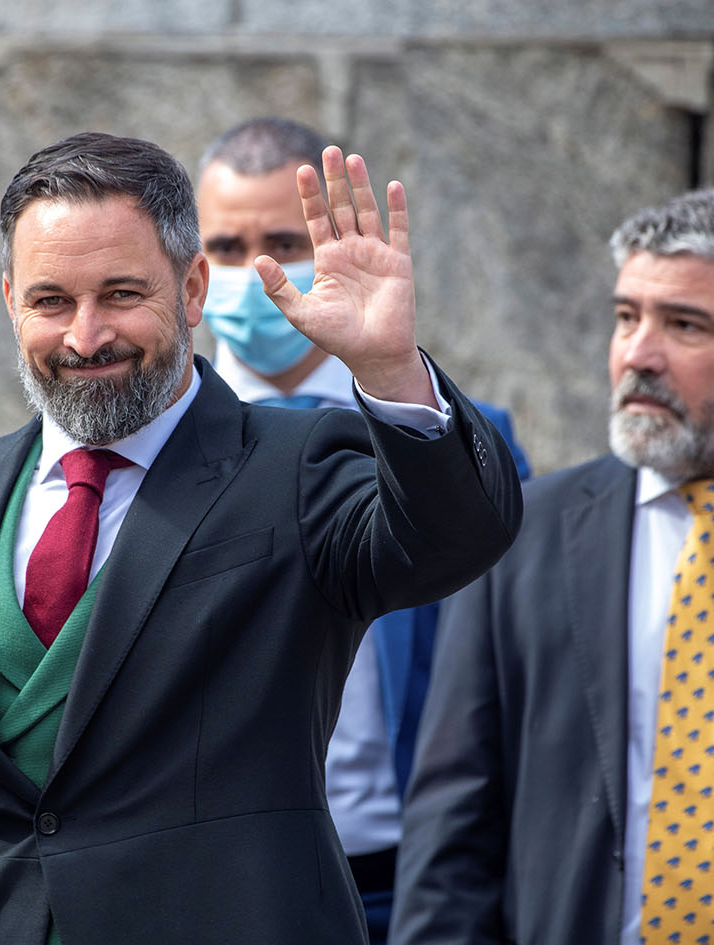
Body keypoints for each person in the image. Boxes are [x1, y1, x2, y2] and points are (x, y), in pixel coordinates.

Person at [0, 131, 522, 945]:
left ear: (191, 289)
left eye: (118, 294)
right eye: (50, 301)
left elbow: (461, 535)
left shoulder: (296, 466)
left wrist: (390, 372)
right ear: (8, 300)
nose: (84, 336)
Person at [390, 188, 714, 945]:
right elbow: (451, 835)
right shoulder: (516, 533)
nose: (638, 353)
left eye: (684, 324)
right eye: (626, 316)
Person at [194, 116, 530, 943]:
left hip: (415, 874)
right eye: (225, 248)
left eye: (281, 239)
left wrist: (388, 369)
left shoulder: (447, 432)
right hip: (228, 881)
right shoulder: (166, 445)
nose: (254, 271)